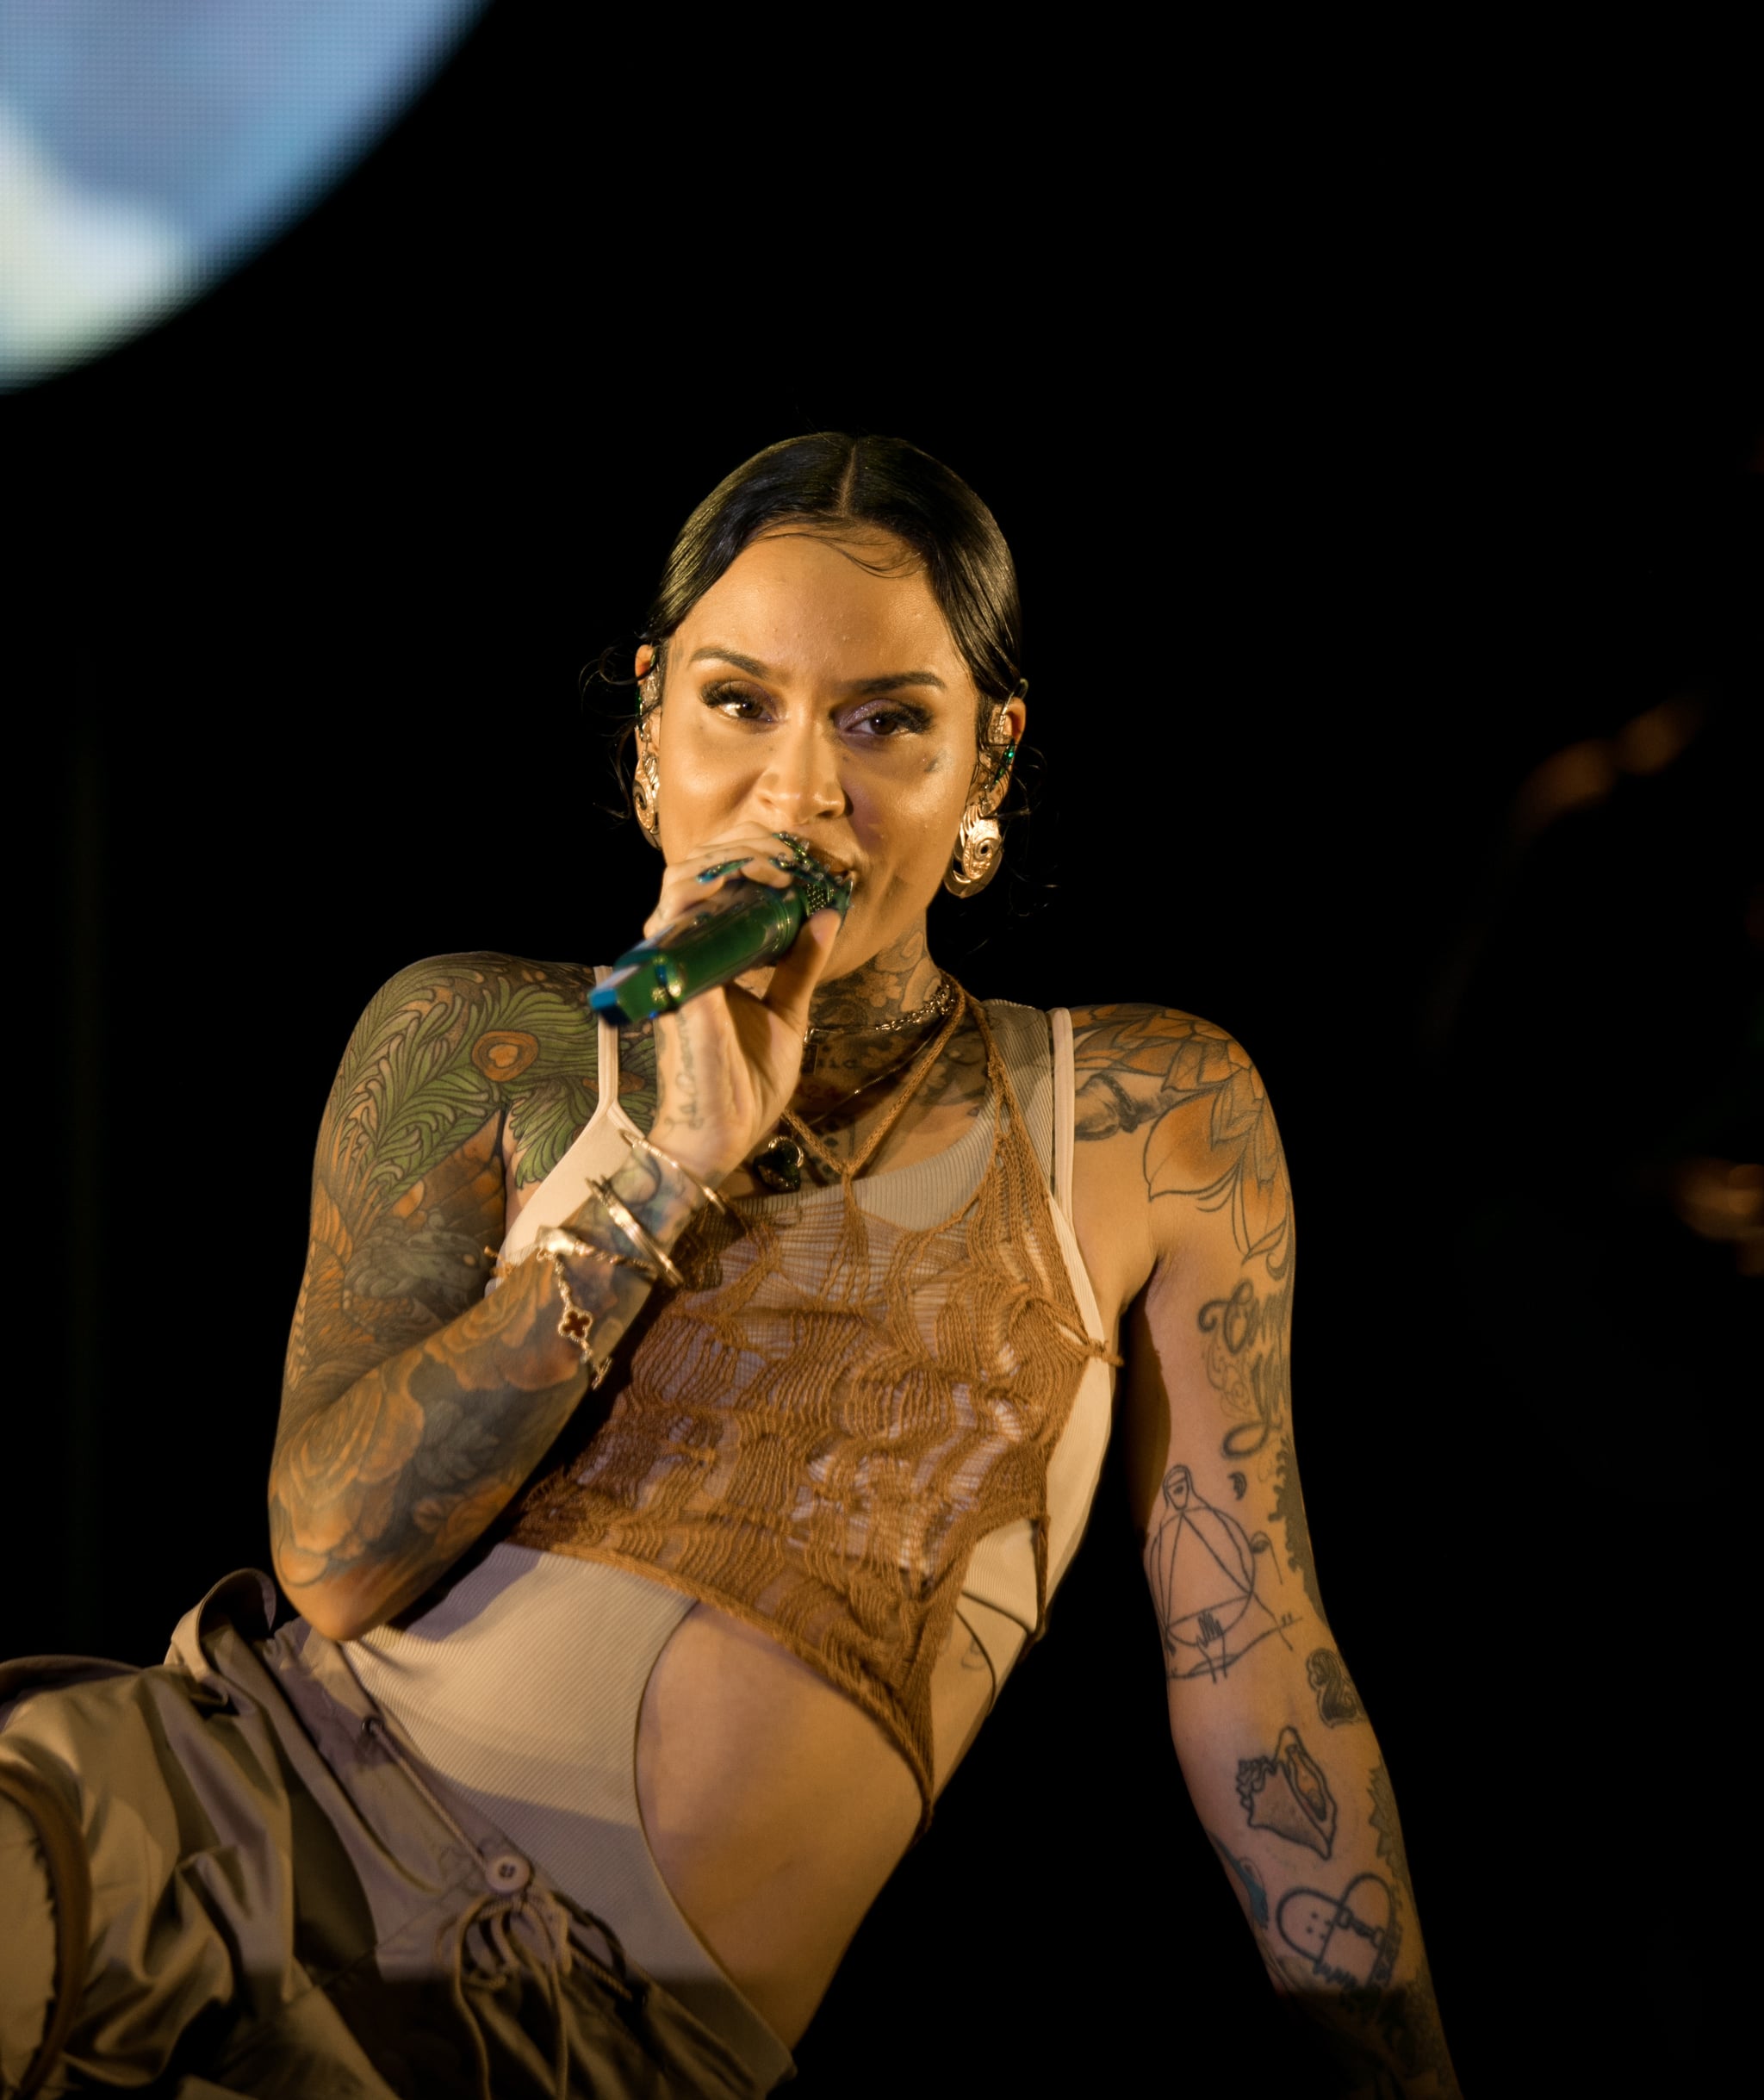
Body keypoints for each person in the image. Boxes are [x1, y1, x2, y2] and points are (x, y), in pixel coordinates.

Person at [0, 433, 1461, 2097]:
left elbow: (1256, 1674)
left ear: (991, 759)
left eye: (885, 720)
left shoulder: (1146, 1116)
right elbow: (328, 1557)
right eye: (739, 703)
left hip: (600, 2045)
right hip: (217, 1817)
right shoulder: (482, 1037)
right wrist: (657, 1165)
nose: (801, 792)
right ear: (649, 734)